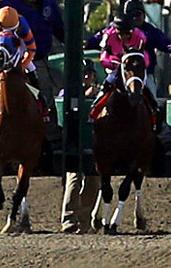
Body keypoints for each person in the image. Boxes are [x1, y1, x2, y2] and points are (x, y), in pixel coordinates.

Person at [0, 0, 65, 112]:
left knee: (45, 98)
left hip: (39, 60)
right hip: (13, 62)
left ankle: (50, 132)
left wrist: (68, 42)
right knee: (1, 91)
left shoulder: (49, 6)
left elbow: (59, 29)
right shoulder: (13, 5)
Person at [88, 14, 158, 125]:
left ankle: (155, 112)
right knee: (107, 84)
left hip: (133, 66)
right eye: (120, 33)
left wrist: (142, 64)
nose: (124, 36)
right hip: (116, 65)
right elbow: (103, 56)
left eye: (127, 33)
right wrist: (111, 63)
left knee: (146, 87)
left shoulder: (140, 36)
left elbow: (145, 56)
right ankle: (95, 109)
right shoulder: (109, 36)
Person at [60, 59, 101, 234]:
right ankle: (68, 219)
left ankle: (84, 220)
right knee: (74, 179)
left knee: (94, 182)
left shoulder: (99, 94)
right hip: (73, 143)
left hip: (93, 144)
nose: (86, 77)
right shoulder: (66, 92)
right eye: (83, 73)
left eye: (89, 74)